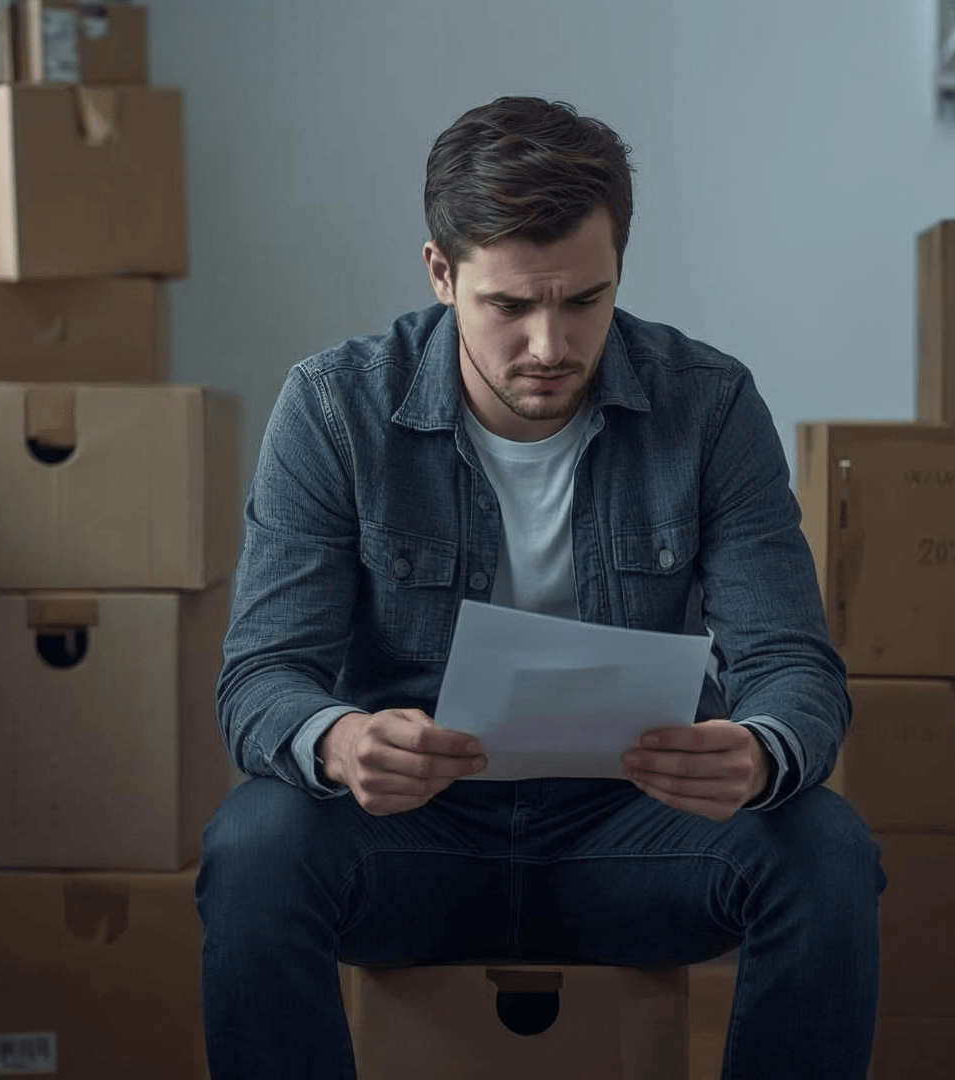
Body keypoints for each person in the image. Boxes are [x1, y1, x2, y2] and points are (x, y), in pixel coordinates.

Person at [197, 95, 885, 1079]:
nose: (551, 346)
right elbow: (262, 677)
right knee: (253, 847)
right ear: (441, 272)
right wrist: (342, 741)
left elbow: (791, 661)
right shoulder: (334, 406)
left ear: (619, 273)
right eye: (509, 307)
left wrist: (760, 750)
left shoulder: (709, 403)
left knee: (825, 847)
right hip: (413, 836)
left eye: (583, 300)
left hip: (635, 834)